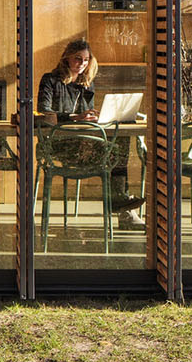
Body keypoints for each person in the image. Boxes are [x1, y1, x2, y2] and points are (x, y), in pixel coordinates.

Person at [36, 39, 144, 229]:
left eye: (86, 60)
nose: (82, 64)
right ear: (66, 58)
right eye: (78, 59)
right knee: (114, 152)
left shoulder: (86, 84)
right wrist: (74, 117)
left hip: (83, 143)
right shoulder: (50, 80)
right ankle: (122, 207)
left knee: (118, 142)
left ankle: (121, 203)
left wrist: (95, 117)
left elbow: (86, 118)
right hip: (60, 145)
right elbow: (44, 114)